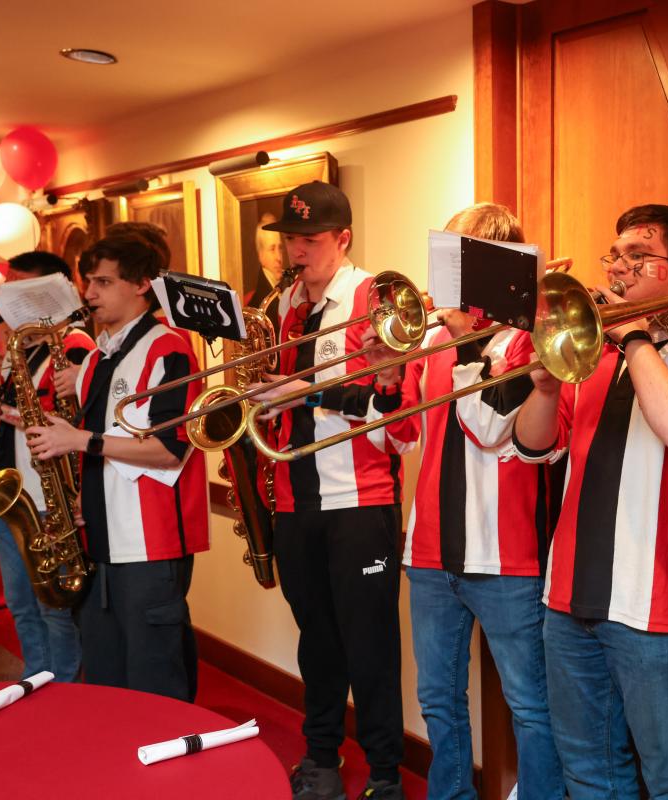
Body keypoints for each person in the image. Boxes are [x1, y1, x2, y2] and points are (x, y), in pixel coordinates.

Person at [512, 204, 668, 798]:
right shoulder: (589, 357)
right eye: (613, 255)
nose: (618, 268)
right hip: (567, 597)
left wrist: (634, 334)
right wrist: (542, 387)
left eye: (637, 257)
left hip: (657, 607)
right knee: (588, 771)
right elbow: (536, 448)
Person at [251, 181, 412, 800]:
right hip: (294, 501)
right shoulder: (285, 306)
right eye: (290, 239)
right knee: (316, 641)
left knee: (369, 646)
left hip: (360, 505)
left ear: (342, 239)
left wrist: (305, 392)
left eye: (310, 240)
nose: (296, 251)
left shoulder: (377, 300)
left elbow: (399, 422)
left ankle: (386, 774)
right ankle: (321, 756)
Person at [402, 202, 562, 799]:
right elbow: (410, 434)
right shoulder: (440, 340)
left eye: (460, 258)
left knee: (530, 703)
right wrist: (385, 375)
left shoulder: (531, 338)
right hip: (428, 550)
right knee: (438, 700)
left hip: (506, 552)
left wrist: (468, 342)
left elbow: (491, 429)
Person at [25, 228, 209, 702]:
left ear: (141, 284)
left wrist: (79, 440)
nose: (88, 294)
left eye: (103, 282)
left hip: (150, 545)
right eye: (89, 281)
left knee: (155, 681)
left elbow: (172, 447)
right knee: (107, 683)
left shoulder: (170, 349)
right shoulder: (99, 356)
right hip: (98, 540)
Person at [0, 251, 91, 682]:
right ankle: (35, 679)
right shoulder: (23, 348)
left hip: (48, 500)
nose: (5, 298)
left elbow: (71, 418)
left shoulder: (74, 346)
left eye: (18, 286)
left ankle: (63, 686)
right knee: (20, 604)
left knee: (53, 607)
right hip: (16, 494)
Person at [248, 212, 286, 308]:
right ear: (261, 256)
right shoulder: (257, 302)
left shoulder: (287, 289)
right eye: (272, 249)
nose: (279, 258)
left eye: (280, 248)